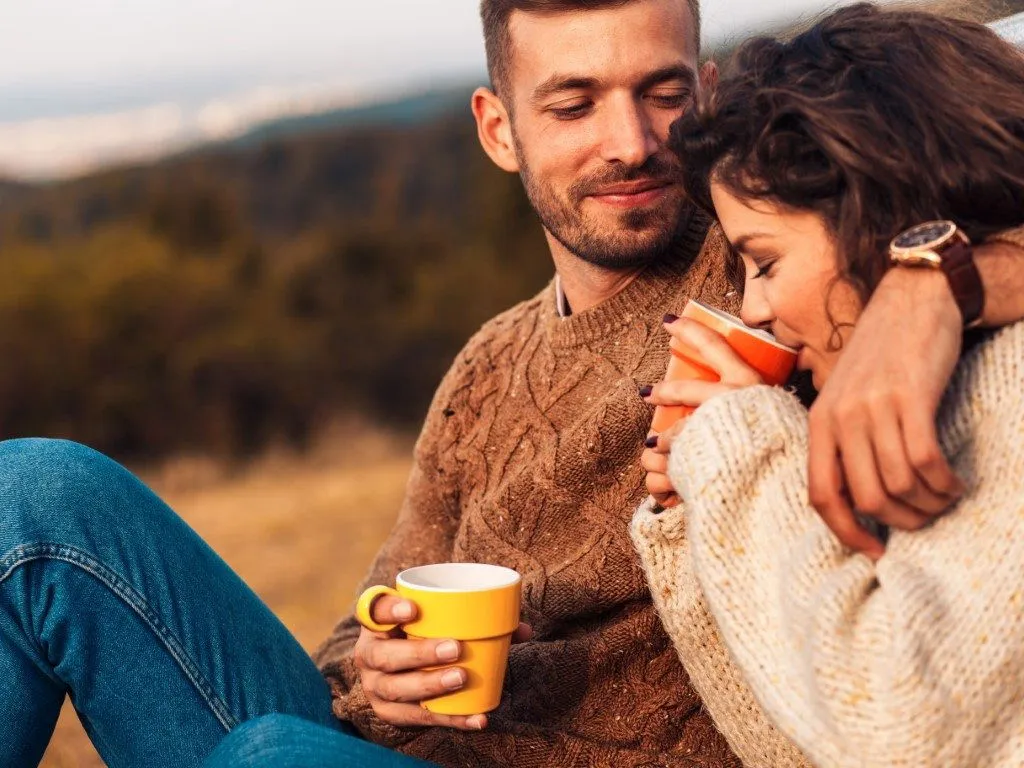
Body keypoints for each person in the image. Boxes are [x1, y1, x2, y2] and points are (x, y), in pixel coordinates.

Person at [4, 0, 1024, 766]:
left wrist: (931, 280)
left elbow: (952, 133)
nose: (631, 143)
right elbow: (366, 624)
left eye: (665, 95)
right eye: (574, 104)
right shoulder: (486, 369)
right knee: (32, 495)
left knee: (275, 758)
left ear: (707, 95)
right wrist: (377, 668)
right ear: (499, 130)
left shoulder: (785, 271)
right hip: (392, 750)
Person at [634, 4, 1024, 767]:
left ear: (875, 213)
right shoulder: (911, 406)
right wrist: (693, 517)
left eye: (765, 262)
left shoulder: (1008, 378)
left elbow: (905, 738)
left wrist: (747, 450)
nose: (754, 308)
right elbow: (793, 745)